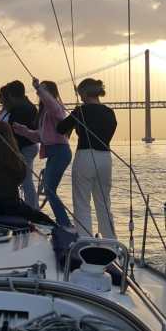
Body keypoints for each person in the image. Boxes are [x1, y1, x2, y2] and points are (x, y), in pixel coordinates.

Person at [57, 78, 117, 238]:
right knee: (104, 204)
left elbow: (60, 128)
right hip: (105, 157)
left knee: (82, 202)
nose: (80, 97)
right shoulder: (110, 112)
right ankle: (110, 240)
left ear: (84, 92)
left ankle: (85, 239)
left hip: (85, 156)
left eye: (80, 94)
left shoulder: (81, 111)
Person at [12, 79, 72, 228]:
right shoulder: (44, 112)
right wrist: (23, 131)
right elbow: (40, 137)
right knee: (49, 189)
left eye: (44, 90)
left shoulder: (55, 108)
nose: (40, 93)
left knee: (50, 190)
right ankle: (63, 223)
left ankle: (65, 224)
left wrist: (39, 87)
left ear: (50, 93)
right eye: (40, 91)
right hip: (54, 153)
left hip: (60, 152)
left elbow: (53, 106)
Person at [4, 80, 39, 209]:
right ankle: (31, 207)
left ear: (12, 95)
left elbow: (14, 134)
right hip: (31, 146)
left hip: (24, 147)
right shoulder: (29, 105)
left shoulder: (19, 109)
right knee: (26, 180)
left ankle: (32, 208)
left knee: (26, 181)